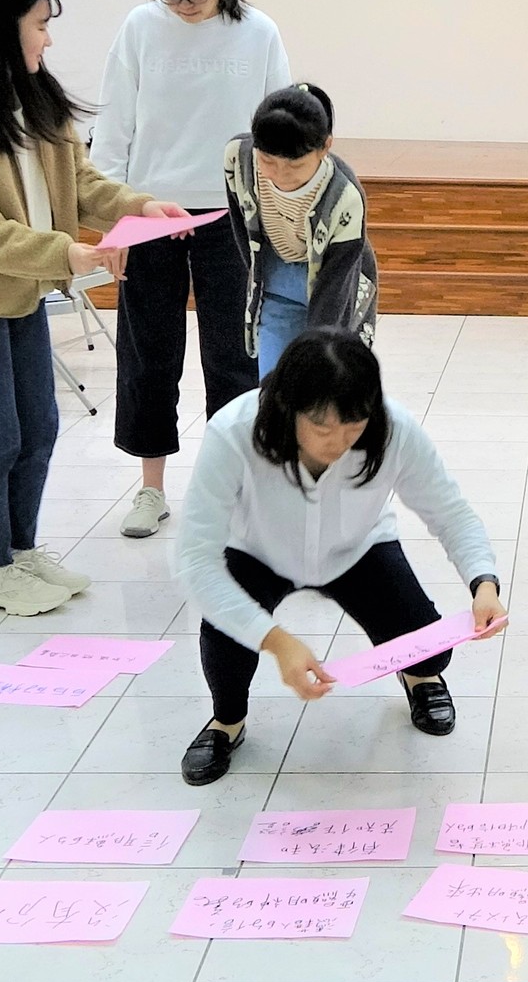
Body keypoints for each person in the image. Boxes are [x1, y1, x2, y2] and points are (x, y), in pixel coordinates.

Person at [0, 0, 181, 617]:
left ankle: (19, 552)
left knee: (40, 424)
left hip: (18, 285)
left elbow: (80, 183)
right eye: (40, 25)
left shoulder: (35, 94)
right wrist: (66, 252)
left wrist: (140, 207)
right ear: (1, 29)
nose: (48, 39)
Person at [174, 329, 505, 784]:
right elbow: (195, 558)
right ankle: (227, 722)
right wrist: (276, 640)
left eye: (353, 427)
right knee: (226, 639)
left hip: (357, 548)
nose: (339, 442)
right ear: (287, 408)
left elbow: (450, 513)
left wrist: (483, 583)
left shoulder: (395, 429)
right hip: (258, 549)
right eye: (322, 428)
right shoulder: (234, 431)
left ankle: (420, 678)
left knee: (430, 653)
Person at [94, 0, 291, 542]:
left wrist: (279, 211)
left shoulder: (258, 31)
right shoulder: (140, 27)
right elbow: (114, 126)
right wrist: (115, 221)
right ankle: (150, 489)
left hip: (230, 215)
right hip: (151, 211)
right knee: (148, 354)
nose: (183, 6)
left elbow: (280, 128)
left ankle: (233, 488)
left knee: (235, 355)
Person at [221, 83, 376, 381]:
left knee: (322, 376)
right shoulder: (238, 158)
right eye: (267, 161)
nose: (280, 174)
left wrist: (318, 350)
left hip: (333, 283)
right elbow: (242, 226)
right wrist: (258, 277)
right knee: (274, 385)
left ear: (325, 147)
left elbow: (335, 289)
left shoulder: (344, 196)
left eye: (295, 165)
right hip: (276, 279)